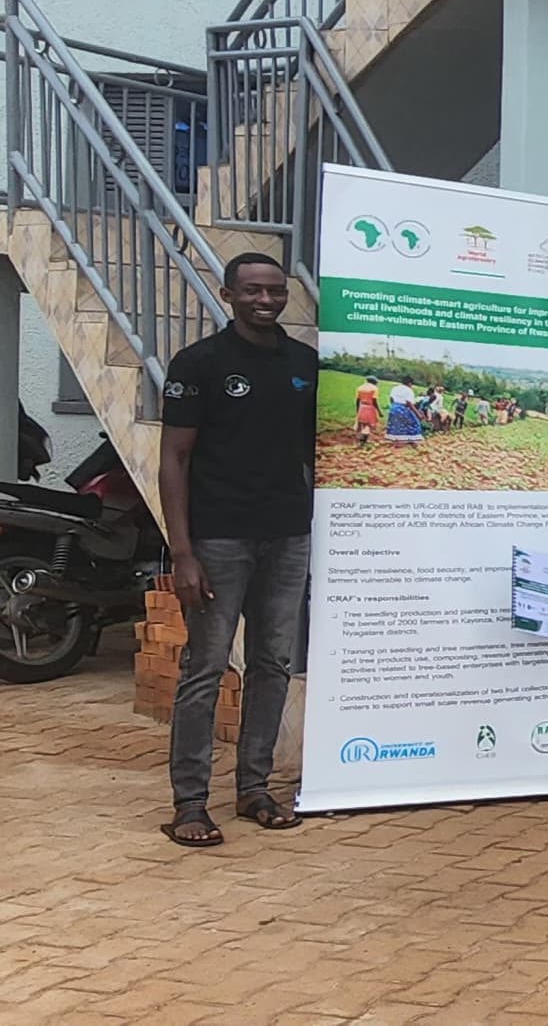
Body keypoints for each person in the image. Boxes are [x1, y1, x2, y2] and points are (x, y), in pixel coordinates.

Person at [158, 253, 318, 846]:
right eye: (252, 290)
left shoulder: (304, 364)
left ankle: (254, 788)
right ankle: (190, 803)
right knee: (205, 668)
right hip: (219, 538)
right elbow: (173, 458)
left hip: (288, 534)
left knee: (272, 664)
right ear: (228, 295)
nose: (265, 300)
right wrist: (182, 553)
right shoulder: (199, 363)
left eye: (275, 290)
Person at [383, 381, 423, 447]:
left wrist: (393, 406)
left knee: (396, 425)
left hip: (394, 407)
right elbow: (409, 403)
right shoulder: (409, 390)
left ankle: (396, 440)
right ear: (409, 383)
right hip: (403, 408)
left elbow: (391, 399)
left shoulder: (395, 388)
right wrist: (418, 414)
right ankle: (411, 441)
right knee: (414, 423)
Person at [353, 375, 379, 446]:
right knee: (368, 425)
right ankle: (363, 440)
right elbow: (374, 401)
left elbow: (357, 400)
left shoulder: (360, 388)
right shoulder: (374, 388)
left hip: (362, 407)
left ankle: (362, 440)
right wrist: (379, 411)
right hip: (370, 407)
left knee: (363, 424)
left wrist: (357, 410)